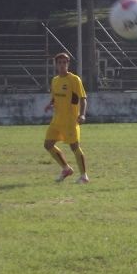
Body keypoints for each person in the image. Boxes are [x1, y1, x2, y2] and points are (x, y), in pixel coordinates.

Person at [43, 52, 89, 184]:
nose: (62, 65)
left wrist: (82, 114)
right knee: (48, 145)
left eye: (65, 62)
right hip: (56, 120)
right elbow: (55, 97)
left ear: (68, 64)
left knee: (74, 147)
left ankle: (84, 176)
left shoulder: (74, 79)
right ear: (56, 65)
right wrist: (50, 104)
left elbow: (83, 99)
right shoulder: (55, 80)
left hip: (70, 120)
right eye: (60, 63)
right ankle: (66, 168)